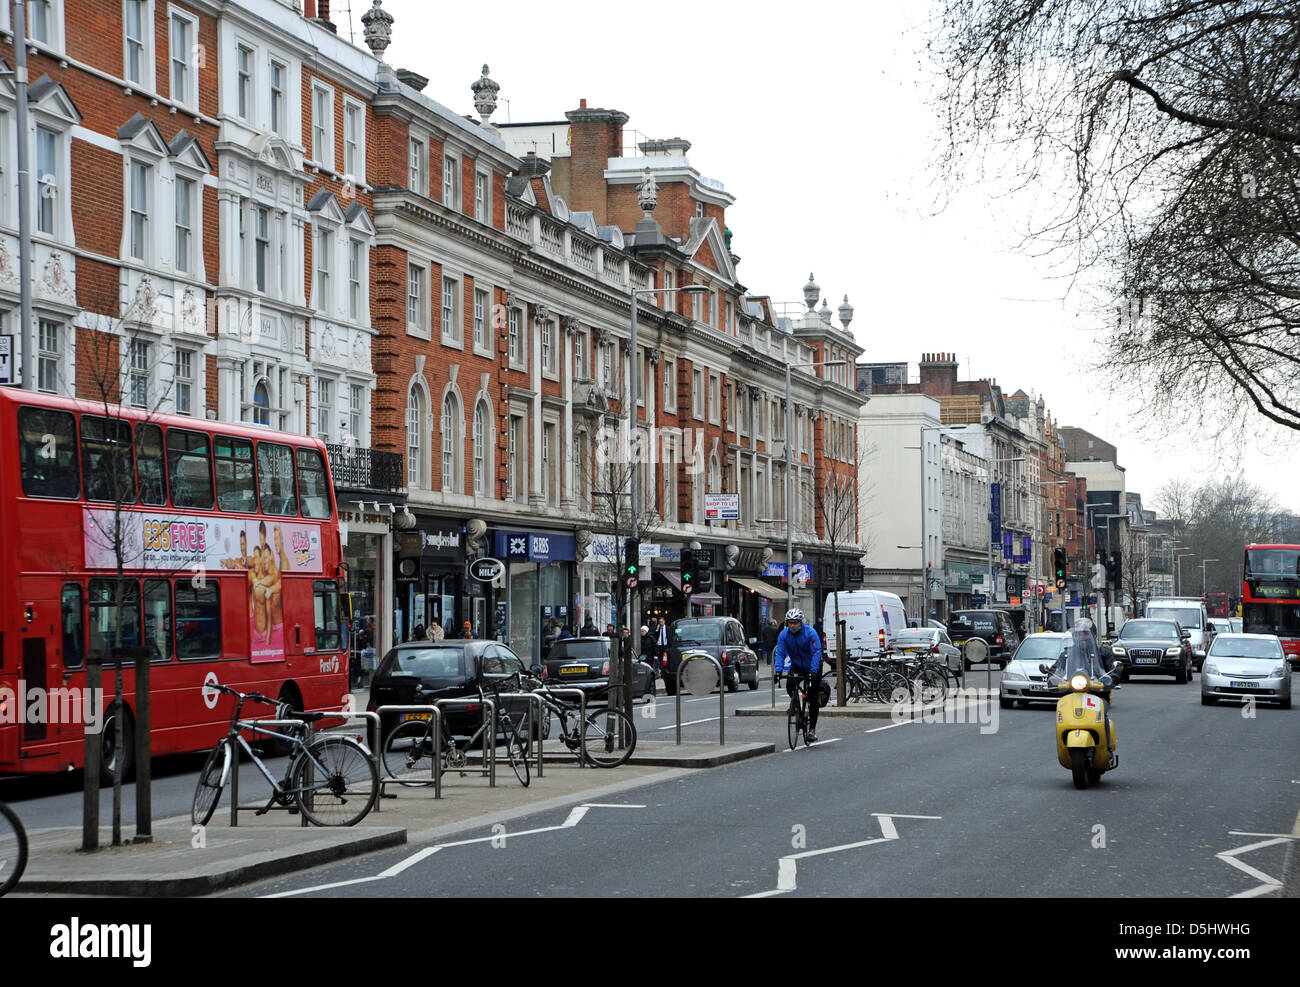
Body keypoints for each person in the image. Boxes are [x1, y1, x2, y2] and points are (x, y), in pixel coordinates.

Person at [773, 607, 824, 743]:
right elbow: (780, 653)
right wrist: (778, 670)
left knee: (812, 697)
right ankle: (795, 704)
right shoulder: (784, 635)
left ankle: (812, 730)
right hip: (797, 665)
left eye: (795, 622)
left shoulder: (810, 633)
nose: (792, 625)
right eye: (790, 622)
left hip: (813, 665)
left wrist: (813, 671)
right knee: (790, 684)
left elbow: (816, 652)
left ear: (801, 622)